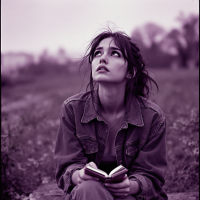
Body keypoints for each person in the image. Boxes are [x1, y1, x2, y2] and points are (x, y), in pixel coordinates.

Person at [54, 29, 168, 200]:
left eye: (115, 53)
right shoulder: (73, 109)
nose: (102, 58)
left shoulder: (152, 117)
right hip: (87, 194)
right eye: (98, 53)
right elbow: (66, 167)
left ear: (131, 71)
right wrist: (80, 175)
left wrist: (130, 186)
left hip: (132, 197)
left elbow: (152, 177)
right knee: (89, 188)